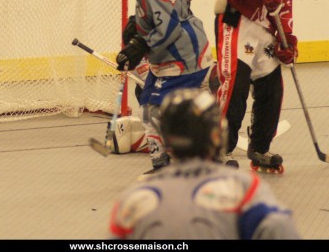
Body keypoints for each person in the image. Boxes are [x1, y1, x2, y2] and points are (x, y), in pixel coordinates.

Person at [108, 88, 301, 240]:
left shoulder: (134, 200)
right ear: (217, 136)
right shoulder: (243, 189)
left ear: (166, 141)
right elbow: (279, 228)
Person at [114, 0, 215, 175]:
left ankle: (177, 164)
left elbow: (170, 27)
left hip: (181, 58)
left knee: (153, 110)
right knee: (150, 105)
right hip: (187, 51)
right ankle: (174, 162)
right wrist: (138, 23)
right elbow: (168, 11)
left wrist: (140, 45)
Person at [214, 0, 302, 169]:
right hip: (237, 22)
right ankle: (219, 149)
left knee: (272, 90)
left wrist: (287, 38)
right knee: (235, 86)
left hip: (264, 29)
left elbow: (285, 1)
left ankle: (260, 148)